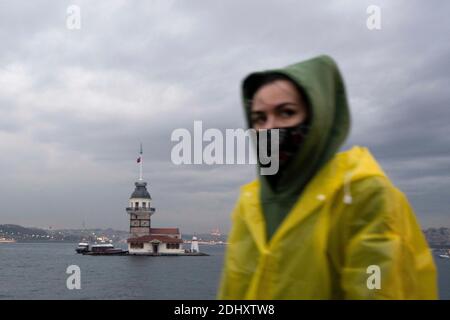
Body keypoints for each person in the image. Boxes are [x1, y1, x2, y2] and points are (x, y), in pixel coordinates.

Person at [217, 55, 437, 299]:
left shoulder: (364, 194)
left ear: (318, 117)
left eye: (287, 112)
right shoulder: (250, 203)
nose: (270, 128)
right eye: (259, 118)